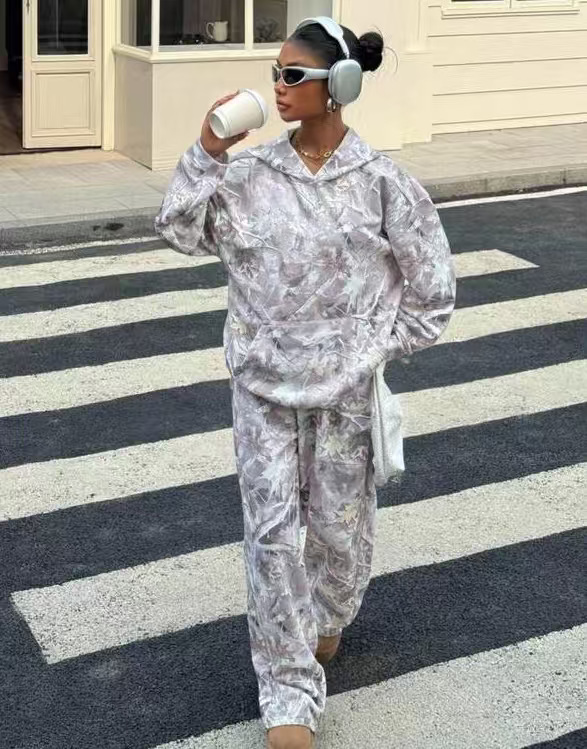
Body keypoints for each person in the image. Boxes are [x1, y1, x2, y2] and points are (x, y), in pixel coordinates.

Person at [155, 16, 456, 749]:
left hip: (345, 399)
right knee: (270, 539)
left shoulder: (383, 184)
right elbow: (178, 229)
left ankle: (330, 611)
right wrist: (207, 151)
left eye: (294, 75)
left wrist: (370, 350)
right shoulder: (249, 176)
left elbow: (433, 295)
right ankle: (287, 690)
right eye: (276, 74)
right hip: (261, 392)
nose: (279, 88)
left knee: (336, 534)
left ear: (338, 84)